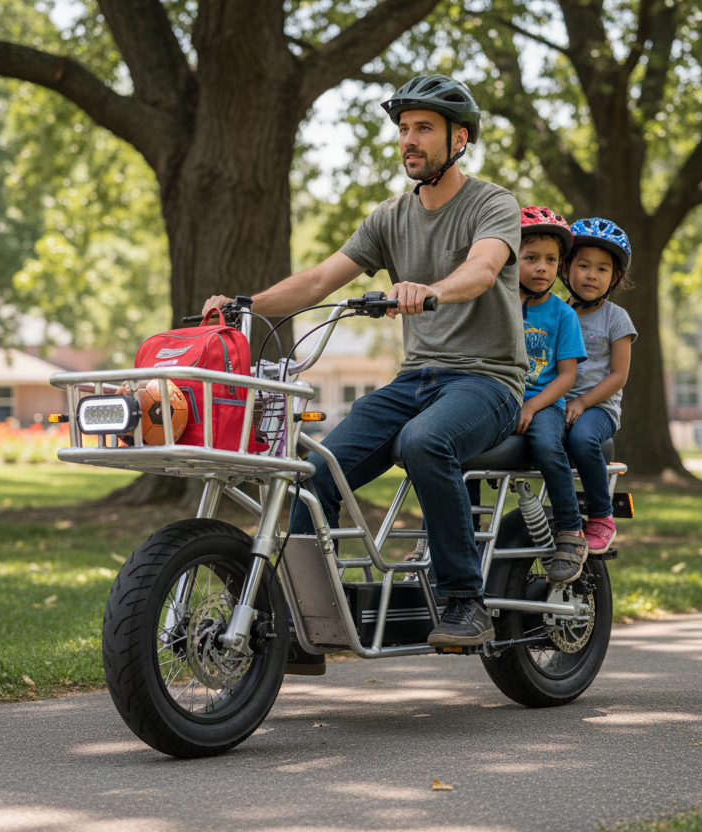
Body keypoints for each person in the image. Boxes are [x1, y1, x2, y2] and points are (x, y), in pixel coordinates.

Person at [200, 74, 525, 669]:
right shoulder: (389, 217)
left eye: (423, 128)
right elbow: (319, 281)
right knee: (309, 473)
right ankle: (300, 621)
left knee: (424, 442)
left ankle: (463, 601)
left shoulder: (492, 204)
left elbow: (482, 271)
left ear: (460, 138)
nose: (409, 140)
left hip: (489, 380)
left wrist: (430, 292)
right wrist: (246, 304)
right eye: (403, 129)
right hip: (416, 381)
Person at [513, 207, 588, 582]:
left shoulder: (562, 315)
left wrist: (533, 404)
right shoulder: (502, 307)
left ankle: (570, 530)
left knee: (546, 444)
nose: (541, 268)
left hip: (545, 403)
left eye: (550, 260)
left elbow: (566, 376)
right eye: (531, 258)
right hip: (500, 399)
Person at [561, 219, 638, 555]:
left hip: (599, 410)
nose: (591, 275)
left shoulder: (616, 318)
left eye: (602, 269)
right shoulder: (556, 312)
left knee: (582, 437)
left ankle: (602, 517)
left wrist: (581, 404)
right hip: (555, 403)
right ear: (566, 269)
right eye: (583, 265)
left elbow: (618, 376)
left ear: (614, 278)